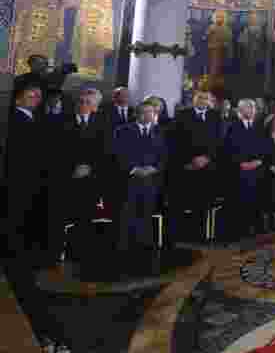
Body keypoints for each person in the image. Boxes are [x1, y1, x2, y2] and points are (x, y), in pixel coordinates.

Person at [53, 88, 108, 262]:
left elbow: (106, 153)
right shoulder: (60, 121)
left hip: (91, 181)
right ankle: (56, 252)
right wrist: (71, 170)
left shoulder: (103, 124)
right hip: (64, 179)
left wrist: (90, 168)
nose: (82, 105)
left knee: (84, 218)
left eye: (88, 102)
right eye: (81, 101)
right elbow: (53, 151)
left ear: (95, 107)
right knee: (59, 218)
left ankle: (79, 253)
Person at [112, 99, 168, 251]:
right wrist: (134, 169)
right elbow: (117, 154)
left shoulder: (161, 132)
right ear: (136, 114)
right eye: (143, 112)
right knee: (126, 215)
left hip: (151, 180)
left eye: (150, 112)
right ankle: (123, 247)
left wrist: (154, 169)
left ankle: (144, 247)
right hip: (128, 179)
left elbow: (164, 156)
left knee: (146, 214)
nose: (147, 115)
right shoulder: (122, 130)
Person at [168, 90, 221, 245]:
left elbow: (218, 140)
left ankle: (200, 235)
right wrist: (190, 160)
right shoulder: (182, 115)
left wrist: (207, 158)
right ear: (194, 100)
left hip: (207, 167)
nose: (203, 100)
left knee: (203, 202)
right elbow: (175, 140)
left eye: (206, 98)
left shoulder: (215, 116)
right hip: (186, 166)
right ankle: (182, 235)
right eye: (200, 98)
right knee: (184, 202)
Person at [4, 85, 46, 262]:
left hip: (31, 180)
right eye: (31, 96)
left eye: (38, 96)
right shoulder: (15, 118)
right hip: (17, 179)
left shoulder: (35, 118)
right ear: (18, 99)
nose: (36, 99)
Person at [222, 99, 268, 238]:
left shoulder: (258, 126)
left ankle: (253, 227)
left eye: (254, 108)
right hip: (238, 171)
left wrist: (258, 161)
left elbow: (263, 146)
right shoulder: (232, 126)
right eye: (250, 108)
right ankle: (239, 229)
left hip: (256, 169)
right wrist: (241, 163)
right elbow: (228, 149)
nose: (253, 110)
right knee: (240, 201)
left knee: (255, 200)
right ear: (241, 110)